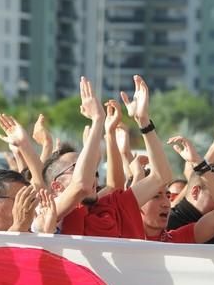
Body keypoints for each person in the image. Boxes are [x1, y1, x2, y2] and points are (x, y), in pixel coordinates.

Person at [43, 75, 172, 238]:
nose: (92, 174)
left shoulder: (109, 206)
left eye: (93, 170)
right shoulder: (48, 214)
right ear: (56, 187)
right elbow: (81, 186)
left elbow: (161, 176)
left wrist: (144, 121)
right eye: (78, 168)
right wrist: (98, 120)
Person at [142, 137, 214, 243]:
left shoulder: (176, 238)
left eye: (168, 196)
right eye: (156, 196)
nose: (166, 204)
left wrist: (197, 162)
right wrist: (146, 128)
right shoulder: (124, 235)